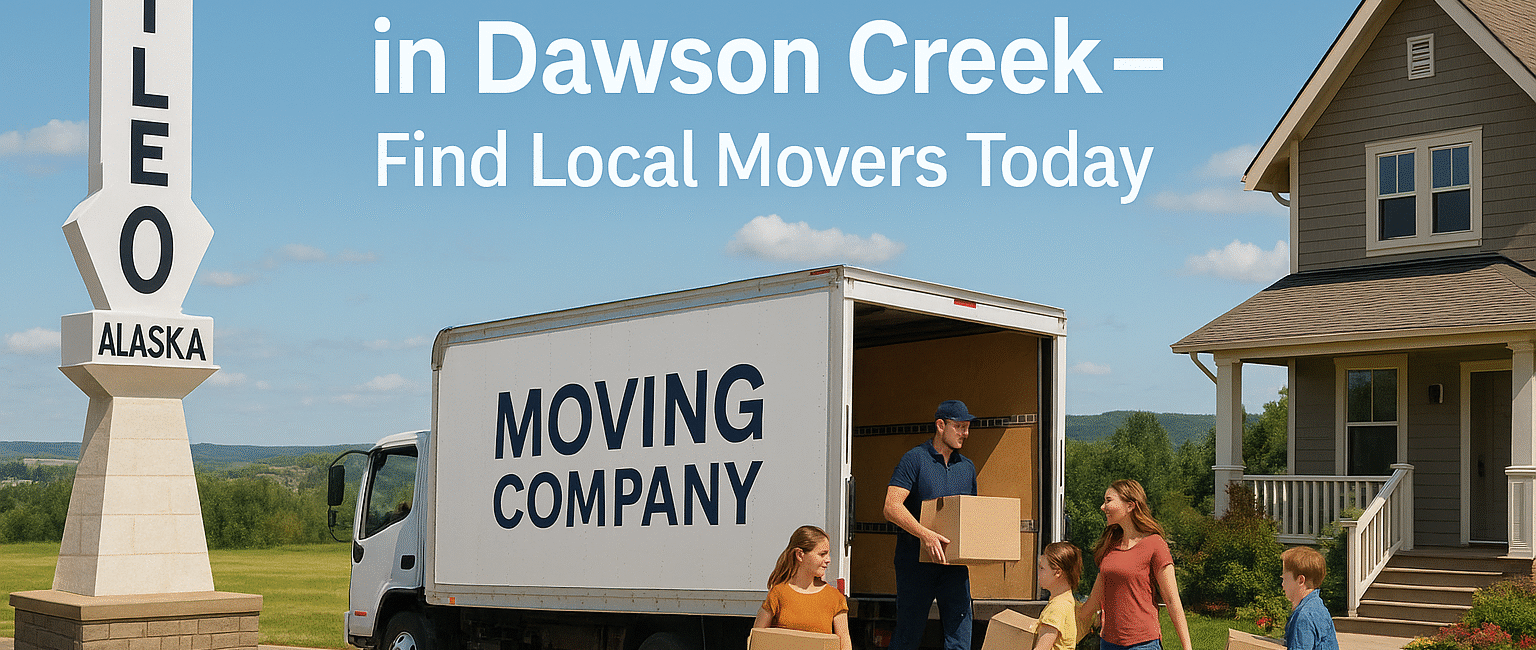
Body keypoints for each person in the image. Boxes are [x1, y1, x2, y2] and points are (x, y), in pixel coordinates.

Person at [882, 399, 979, 650]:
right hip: (915, 564)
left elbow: (970, 516)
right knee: (908, 636)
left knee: (960, 638)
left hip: (953, 566)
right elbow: (891, 507)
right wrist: (926, 535)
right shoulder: (914, 459)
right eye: (959, 427)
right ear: (940, 425)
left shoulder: (967, 468)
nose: (965, 433)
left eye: (967, 428)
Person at [1076, 479, 1192, 650]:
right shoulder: (1110, 546)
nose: (1102, 507)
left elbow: (1172, 600)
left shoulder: (1155, 544)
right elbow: (1092, 603)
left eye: (1108, 500)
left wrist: (1187, 647)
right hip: (1108, 643)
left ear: (1130, 505)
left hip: (1142, 644)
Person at [753, 525, 852, 650]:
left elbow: (844, 643)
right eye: (822, 554)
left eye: (828, 554)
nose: (828, 560)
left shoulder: (835, 597)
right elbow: (757, 639)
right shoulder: (778, 593)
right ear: (800, 555)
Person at [1281, 546, 1339, 650]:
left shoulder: (1304, 616)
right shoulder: (1318, 607)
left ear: (1300, 580)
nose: (1282, 584)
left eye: (1284, 578)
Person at [1033, 542, 1082, 650]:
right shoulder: (1066, 600)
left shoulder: (1057, 608)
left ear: (1057, 572)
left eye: (1042, 568)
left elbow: (1042, 648)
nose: (1038, 572)